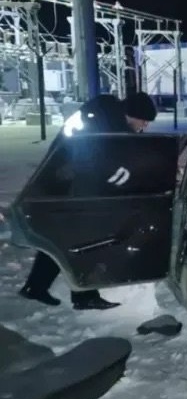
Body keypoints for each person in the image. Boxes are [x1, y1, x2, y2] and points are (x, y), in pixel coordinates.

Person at [18, 91, 158, 311]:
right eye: (143, 121)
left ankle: (36, 287)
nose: (145, 127)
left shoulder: (104, 116)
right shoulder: (102, 124)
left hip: (64, 182)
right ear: (131, 114)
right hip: (68, 185)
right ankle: (83, 297)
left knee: (64, 238)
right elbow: (95, 160)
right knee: (85, 239)